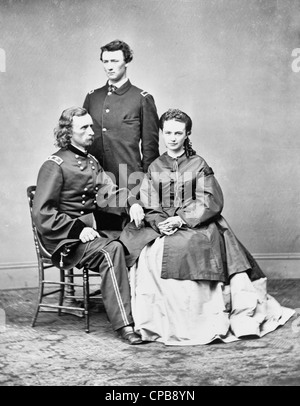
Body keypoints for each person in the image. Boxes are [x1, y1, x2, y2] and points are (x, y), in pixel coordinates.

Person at [119, 108, 295, 346]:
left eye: (178, 133)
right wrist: (161, 222)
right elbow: (150, 201)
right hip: (161, 223)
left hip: (196, 222)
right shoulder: (155, 166)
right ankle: (161, 321)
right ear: (161, 133)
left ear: (187, 134)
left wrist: (181, 219)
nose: (172, 138)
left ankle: (198, 320)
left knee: (192, 245)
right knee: (148, 251)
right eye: (168, 132)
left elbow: (209, 199)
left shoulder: (198, 163)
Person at [32, 106, 145, 345]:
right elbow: (43, 213)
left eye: (91, 126)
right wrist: (77, 230)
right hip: (64, 240)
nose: (91, 132)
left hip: (89, 234)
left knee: (136, 238)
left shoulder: (91, 161)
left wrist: (130, 203)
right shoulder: (55, 164)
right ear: (67, 133)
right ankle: (125, 324)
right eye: (83, 127)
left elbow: (108, 192)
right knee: (111, 249)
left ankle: (145, 314)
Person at [83, 39, 160, 230]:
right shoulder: (93, 97)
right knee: (106, 234)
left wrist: (145, 184)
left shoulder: (142, 98)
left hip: (131, 180)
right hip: (100, 181)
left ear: (126, 62)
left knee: (134, 236)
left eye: (115, 61)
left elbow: (150, 148)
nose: (109, 66)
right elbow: (83, 141)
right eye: (105, 61)